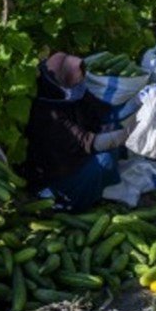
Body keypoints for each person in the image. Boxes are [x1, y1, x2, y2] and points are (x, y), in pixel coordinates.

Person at [23, 52, 133, 212]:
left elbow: (103, 112)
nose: (80, 85)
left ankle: (101, 187)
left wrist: (138, 103)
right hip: (57, 173)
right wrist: (129, 136)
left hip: (76, 152)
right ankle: (77, 203)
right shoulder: (47, 115)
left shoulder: (70, 90)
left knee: (114, 127)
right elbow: (89, 143)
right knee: (104, 160)